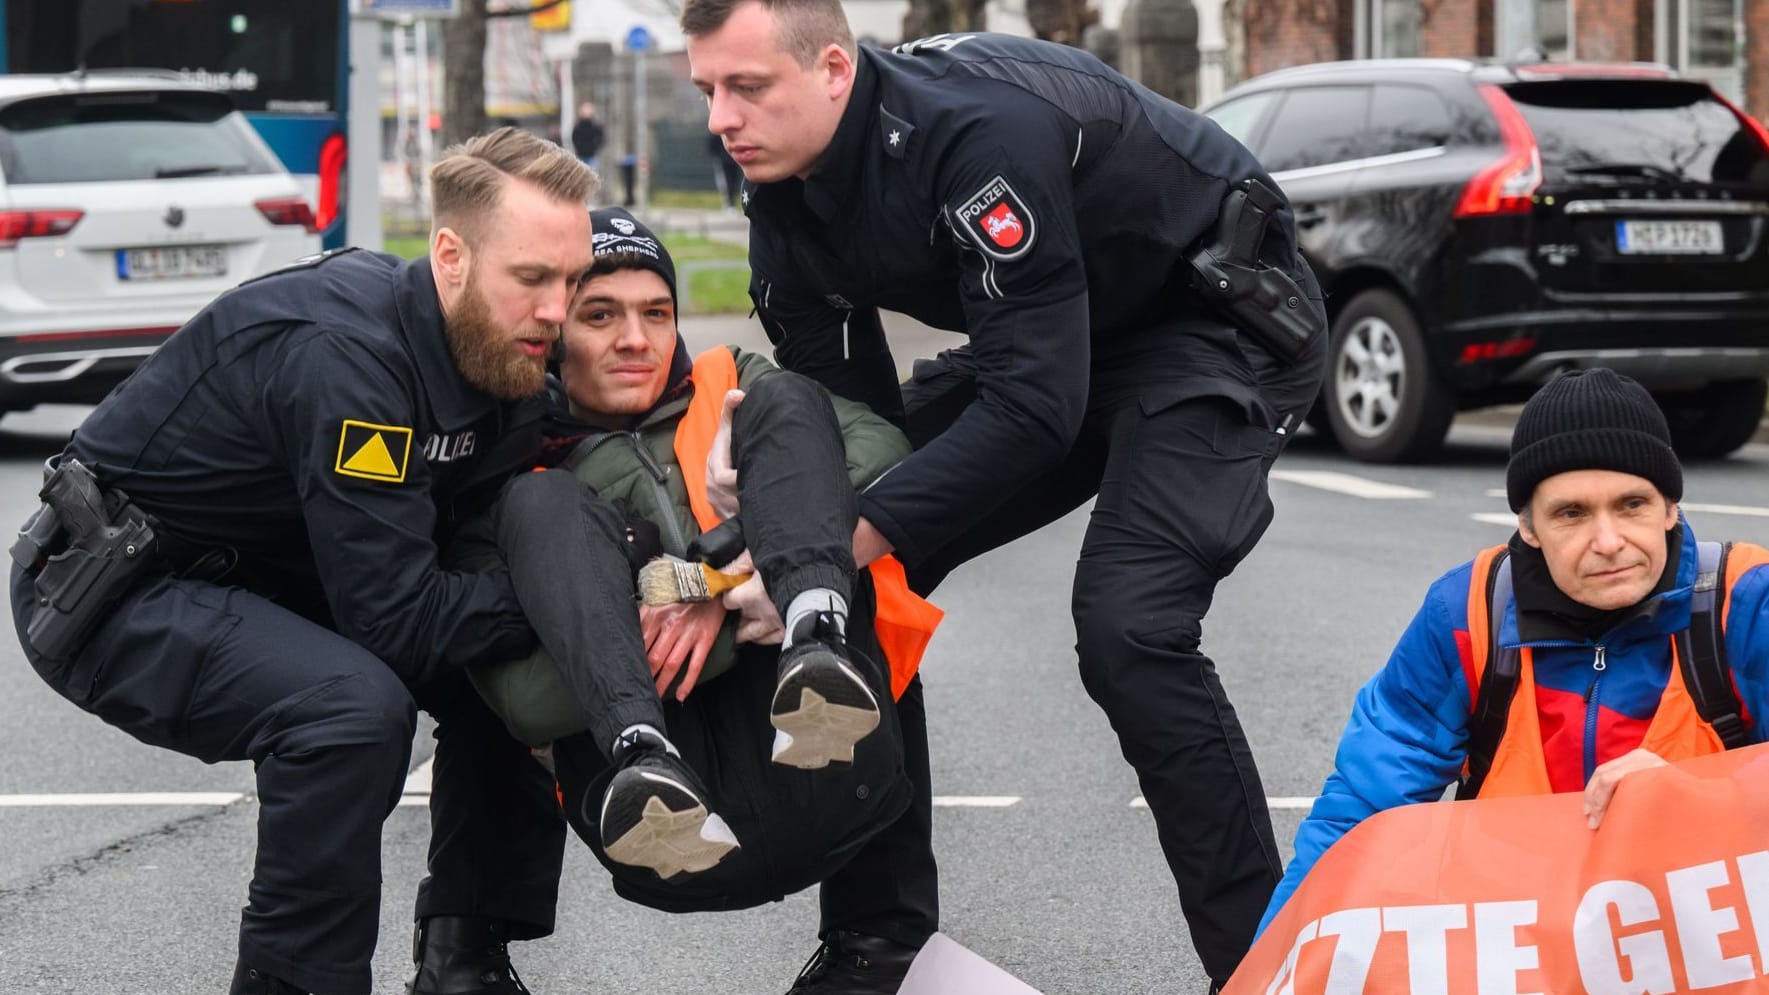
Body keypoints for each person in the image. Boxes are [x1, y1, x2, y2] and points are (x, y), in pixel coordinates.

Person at [682, 1, 1329, 986]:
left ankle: (1262, 967)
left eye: (748, 87)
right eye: (707, 93)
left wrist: (828, 543)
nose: (722, 119)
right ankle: (879, 942)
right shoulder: (780, 202)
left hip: (1211, 326)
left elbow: (1034, 408)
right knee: (836, 560)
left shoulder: (976, 136)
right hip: (1052, 341)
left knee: (1127, 626)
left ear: (831, 70)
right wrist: (781, 505)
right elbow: (851, 444)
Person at [7, 128, 595, 995]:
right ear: (451, 255)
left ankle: (461, 964)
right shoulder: (347, 360)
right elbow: (393, 620)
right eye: (533, 278)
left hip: (276, 567)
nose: (558, 308)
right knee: (349, 712)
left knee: (511, 675)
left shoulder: (502, 349)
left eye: (572, 280)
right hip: (115, 588)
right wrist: (567, 597)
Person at [449, 210, 944, 966]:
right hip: (664, 822)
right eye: (600, 315)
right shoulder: (515, 473)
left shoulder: (730, 380)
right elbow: (521, 702)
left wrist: (735, 574)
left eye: (656, 313)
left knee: (788, 410)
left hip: (842, 775)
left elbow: (883, 445)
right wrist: (672, 634)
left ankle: (874, 948)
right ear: (551, 334)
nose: (635, 340)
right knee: (535, 508)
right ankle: (633, 754)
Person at [1257, 367, 1769, 936]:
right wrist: (1275, 956)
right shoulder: (1466, 614)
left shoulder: (1745, 601)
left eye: (1631, 505)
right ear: (1528, 527)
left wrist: (1700, 795)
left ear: (1670, 508)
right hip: (1524, 939)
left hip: (1708, 937)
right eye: (1570, 513)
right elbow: (1362, 808)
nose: (1608, 541)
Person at [571, 101, 606, 173]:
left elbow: (601, 138)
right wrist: (579, 147)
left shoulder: (595, 125)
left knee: (592, 173)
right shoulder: (578, 125)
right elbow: (574, 137)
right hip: (581, 154)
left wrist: (595, 146)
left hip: (592, 154)